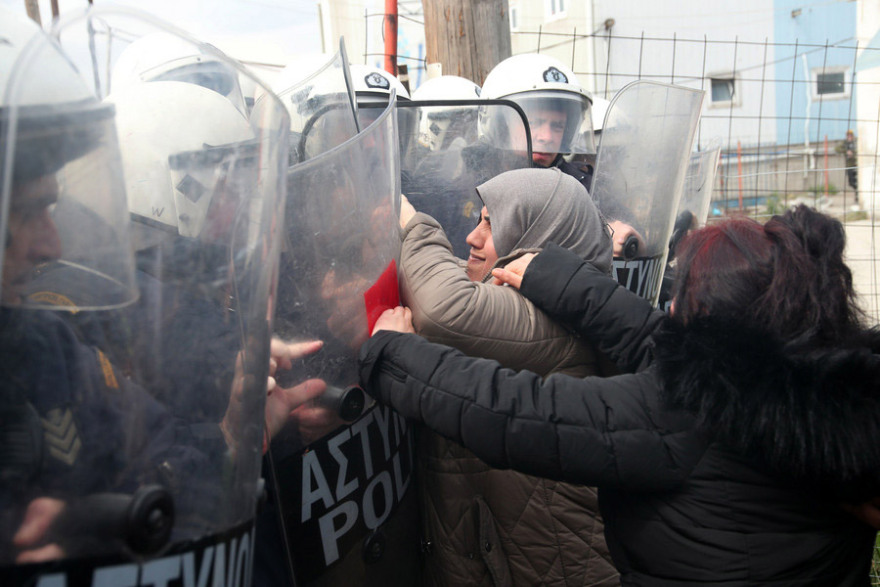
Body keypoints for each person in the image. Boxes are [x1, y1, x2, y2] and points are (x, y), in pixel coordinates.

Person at [359, 204, 880, 585]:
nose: (670, 304)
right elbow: (654, 338)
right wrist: (552, 274)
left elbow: (516, 411)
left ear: (725, 333)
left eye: (686, 296)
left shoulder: (676, 421)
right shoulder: (812, 390)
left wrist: (398, 355)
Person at [398, 166, 619, 586]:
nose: (472, 238)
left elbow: (443, 308)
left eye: (493, 224)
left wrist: (412, 223)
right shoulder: (579, 308)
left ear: (541, 239)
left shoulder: (553, 320)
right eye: (478, 220)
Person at [481, 54, 643, 259]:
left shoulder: (582, 185)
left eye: (557, 126)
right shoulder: (472, 182)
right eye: (534, 122)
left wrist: (625, 237)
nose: (547, 137)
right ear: (501, 125)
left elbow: (633, 236)